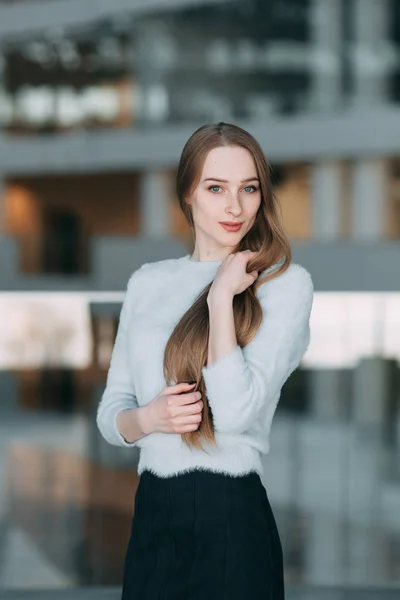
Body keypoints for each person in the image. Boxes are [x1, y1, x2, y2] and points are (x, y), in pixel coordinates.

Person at [96, 121, 314, 600]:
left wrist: (219, 300)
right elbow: (112, 413)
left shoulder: (284, 285)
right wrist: (149, 417)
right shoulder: (147, 282)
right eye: (216, 188)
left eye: (248, 188)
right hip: (154, 515)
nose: (235, 207)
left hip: (232, 517)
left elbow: (235, 414)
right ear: (188, 193)